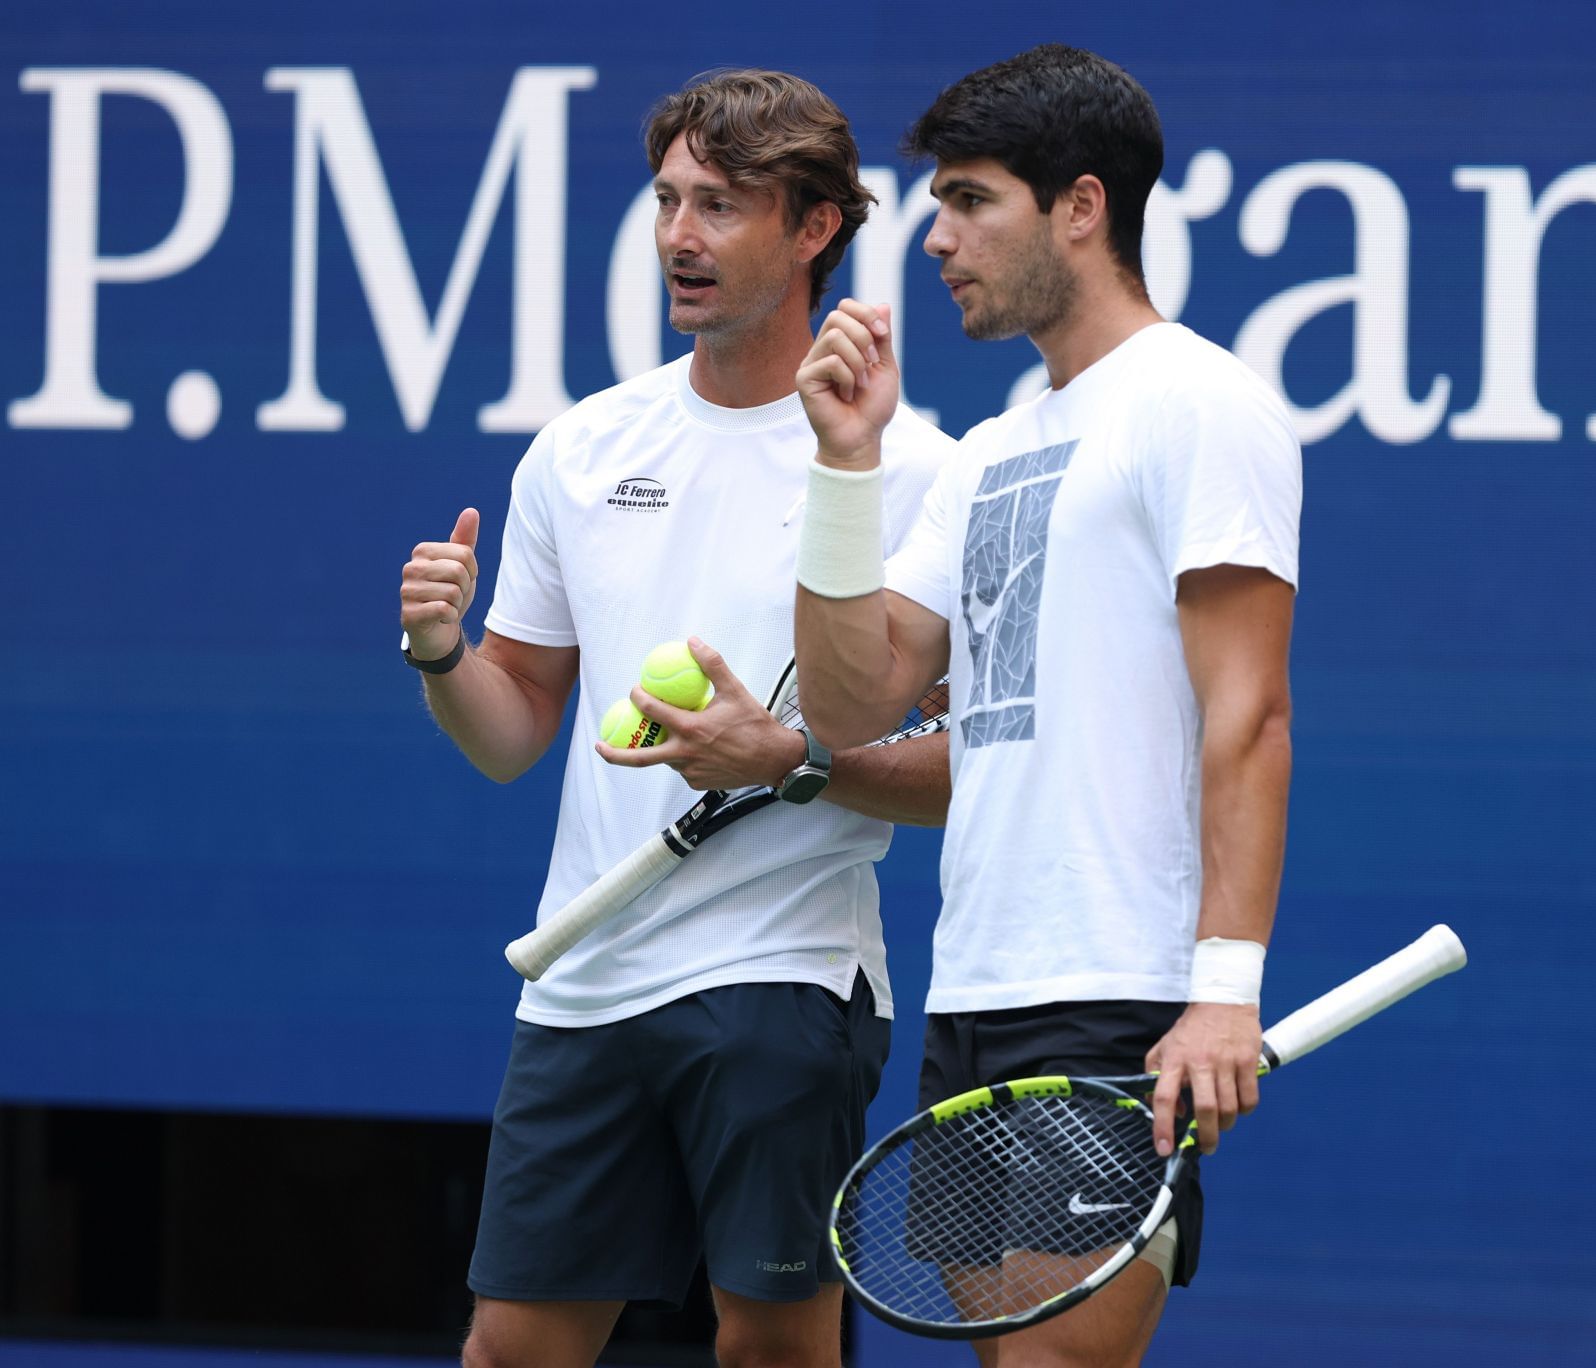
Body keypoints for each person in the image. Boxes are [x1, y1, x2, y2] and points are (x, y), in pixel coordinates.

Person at [397, 69, 953, 1368]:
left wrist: (799, 762)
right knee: (511, 1351)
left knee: (769, 1349)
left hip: (782, 972)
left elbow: (971, 767)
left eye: (722, 205)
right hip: (585, 977)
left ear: (816, 228)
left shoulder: (914, 468)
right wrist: (441, 657)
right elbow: (512, 729)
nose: (680, 237)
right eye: (667, 201)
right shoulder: (583, 450)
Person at [790, 44, 1301, 1368]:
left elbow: (1249, 712)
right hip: (977, 990)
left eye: (971, 202)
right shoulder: (995, 448)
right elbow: (854, 696)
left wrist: (1222, 992)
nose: (941, 241)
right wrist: (846, 473)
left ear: (1081, 205)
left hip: (1121, 997)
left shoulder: (1200, 404)